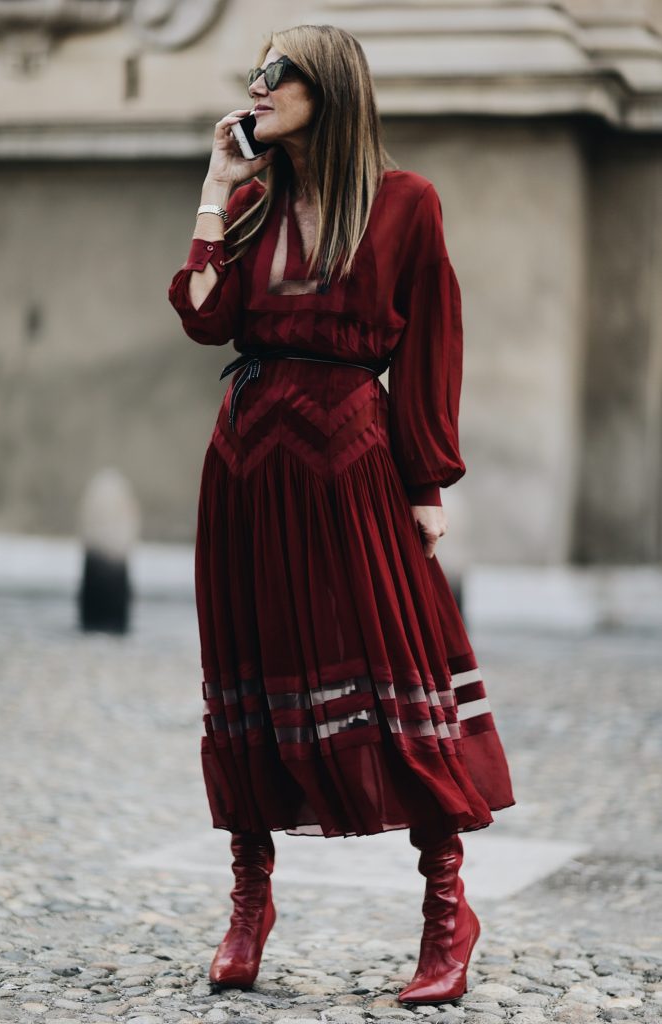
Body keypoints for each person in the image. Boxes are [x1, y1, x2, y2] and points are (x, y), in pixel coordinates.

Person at [167, 23, 516, 1006]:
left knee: (396, 667)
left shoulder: (406, 205)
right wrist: (212, 180)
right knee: (247, 674)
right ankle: (248, 901)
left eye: (274, 72)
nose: (256, 85)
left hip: (349, 458)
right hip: (243, 463)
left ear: (325, 87)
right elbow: (201, 314)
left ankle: (447, 911)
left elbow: (431, 345)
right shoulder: (248, 204)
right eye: (254, 73)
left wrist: (424, 481)